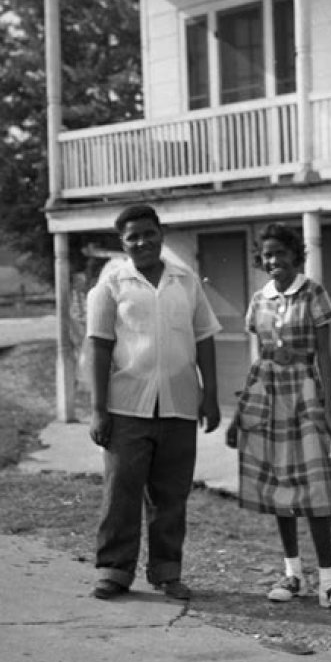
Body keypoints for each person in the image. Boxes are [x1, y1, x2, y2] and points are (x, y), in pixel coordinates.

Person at [226, 223, 331, 614]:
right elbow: (259, 359)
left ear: (295, 255)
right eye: (267, 254)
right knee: (278, 487)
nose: (274, 260)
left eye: (281, 253)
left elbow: (325, 355)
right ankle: (293, 574)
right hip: (267, 397)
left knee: (314, 489)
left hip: (305, 395)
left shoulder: (313, 293)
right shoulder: (260, 299)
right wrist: (240, 416)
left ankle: (329, 584)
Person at [86, 203, 221, 601]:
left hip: (179, 403)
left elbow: (204, 338)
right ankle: (114, 571)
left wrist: (211, 396)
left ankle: (167, 572)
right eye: (133, 237)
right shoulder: (112, 284)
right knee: (121, 492)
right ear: (122, 243)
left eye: (149, 233)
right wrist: (98, 410)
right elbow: (99, 347)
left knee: (171, 496)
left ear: (161, 234)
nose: (142, 242)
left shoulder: (186, 280)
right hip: (126, 406)